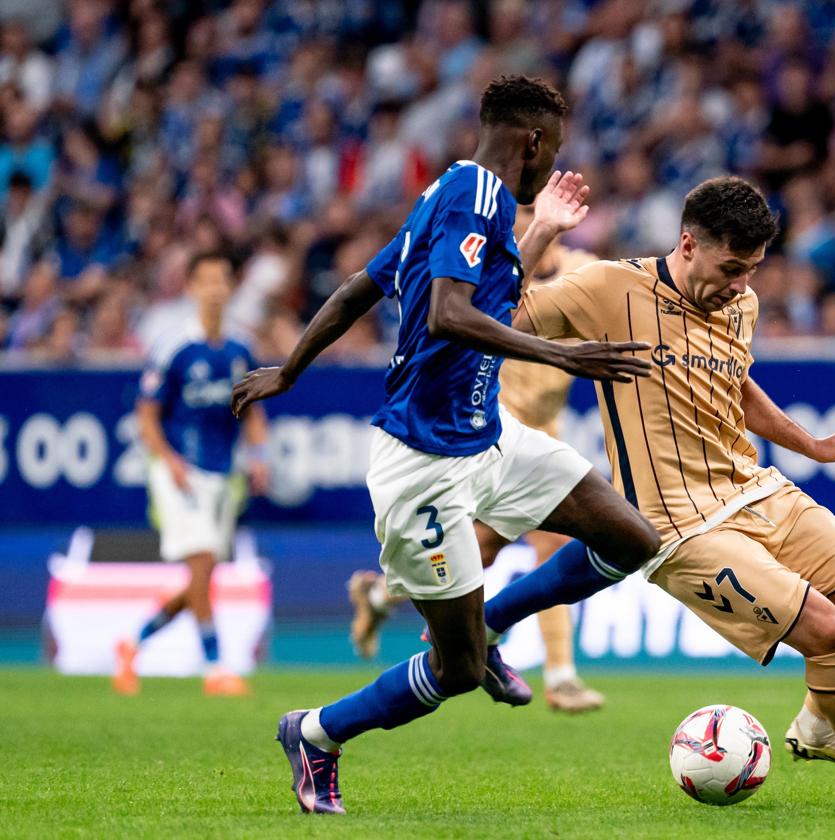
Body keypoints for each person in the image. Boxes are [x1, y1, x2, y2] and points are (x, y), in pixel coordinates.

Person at [230, 76, 660, 815]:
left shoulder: (450, 195)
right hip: (424, 470)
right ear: (530, 141)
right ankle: (317, 732)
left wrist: (290, 371)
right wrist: (562, 356)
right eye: (550, 147)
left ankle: (494, 621)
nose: (550, 160)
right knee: (455, 672)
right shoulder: (474, 195)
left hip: (488, 440)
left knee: (630, 537)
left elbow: (359, 291)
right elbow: (447, 313)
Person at [477, 176, 835, 806]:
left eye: (752, 269)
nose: (741, 284)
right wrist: (539, 230)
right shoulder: (609, 287)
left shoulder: (741, 303)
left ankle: (822, 726)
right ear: (688, 243)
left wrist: (810, 443)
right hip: (678, 526)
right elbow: (494, 316)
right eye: (732, 267)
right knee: (827, 632)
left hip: (755, 490)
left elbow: (735, 381)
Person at [347, 206, 607, 713]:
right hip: (490, 427)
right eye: (520, 213)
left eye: (534, 210)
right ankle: (559, 674)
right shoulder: (496, 270)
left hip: (544, 428)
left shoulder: (585, 270)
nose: (526, 220)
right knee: (482, 552)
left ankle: (378, 599)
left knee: (496, 550)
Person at [112, 251, 268, 697]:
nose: (216, 289)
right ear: (192, 288)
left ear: (231, 287)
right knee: (201, 560)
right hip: (178, 468)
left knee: (202, 577)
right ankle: (216, 666)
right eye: (207, 281)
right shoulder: (173, 345)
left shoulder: (241, 349)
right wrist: (170, 461)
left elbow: (254, 412)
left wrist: (258, 455)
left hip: (223, 472)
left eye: (223, 280)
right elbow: (146, 415)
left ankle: (132, 642)